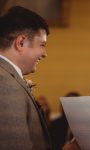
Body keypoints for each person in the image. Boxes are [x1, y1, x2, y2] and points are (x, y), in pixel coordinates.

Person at [0, 6, 52, 150]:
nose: (44, 53)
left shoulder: (8, 77)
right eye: (42, 45)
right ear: (21, 42)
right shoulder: (5, 84)